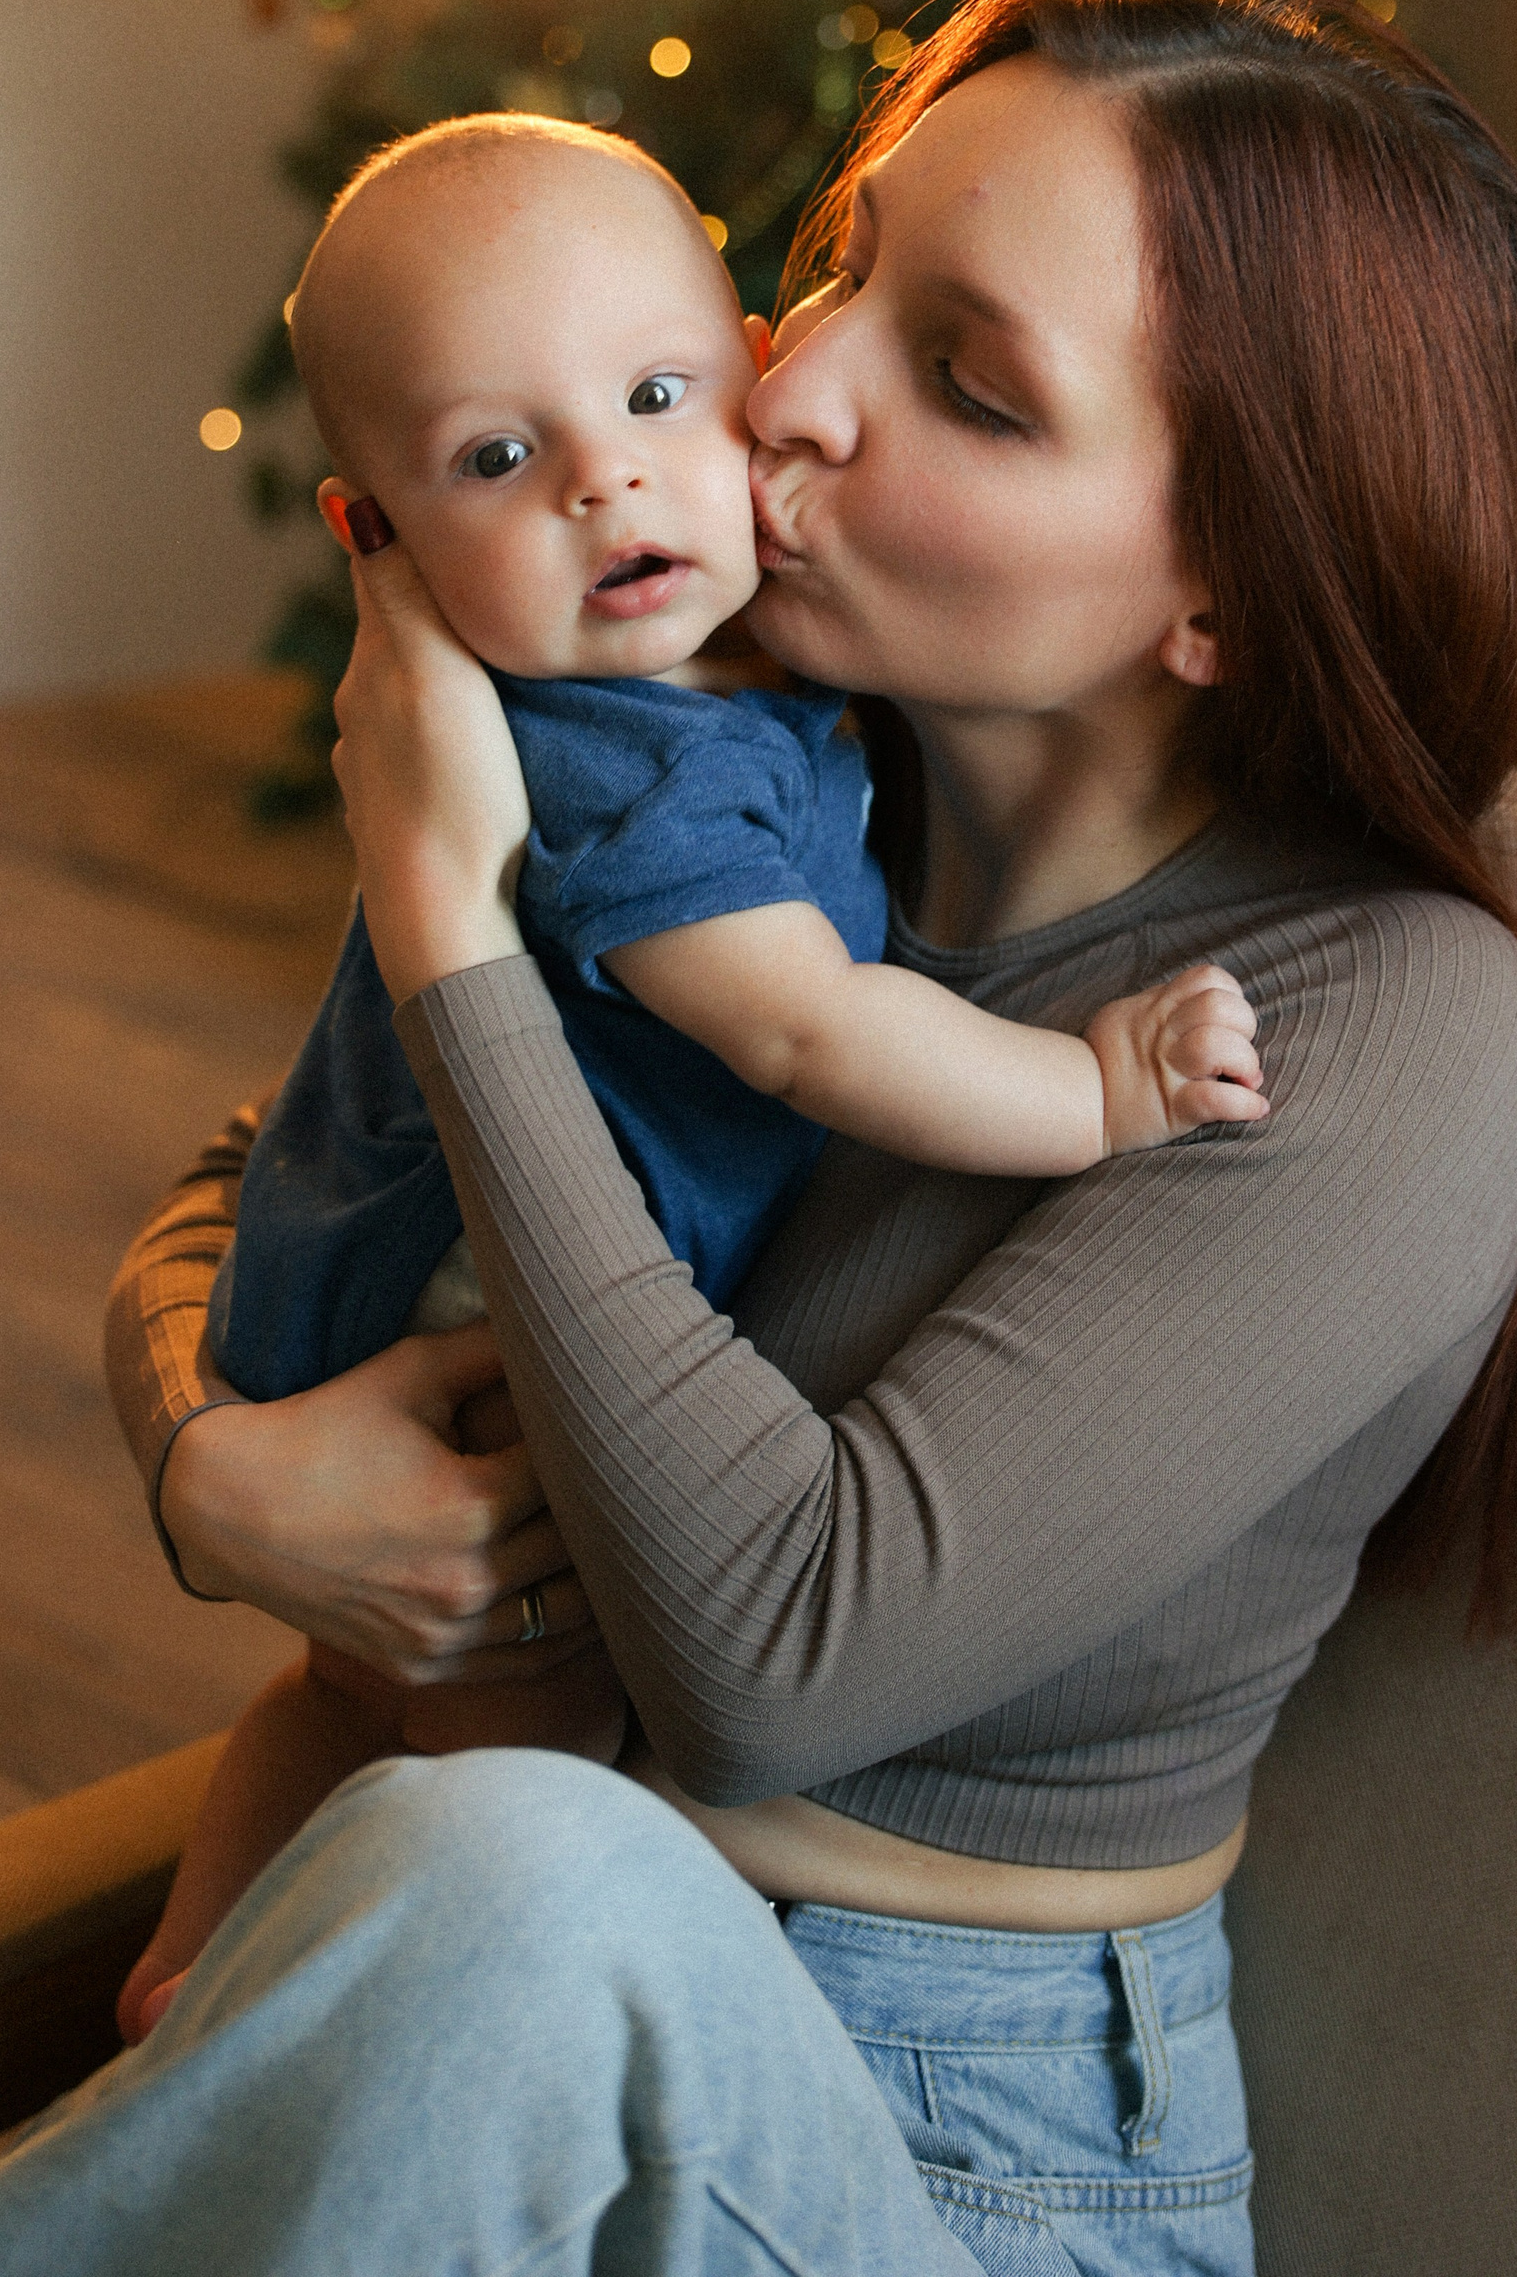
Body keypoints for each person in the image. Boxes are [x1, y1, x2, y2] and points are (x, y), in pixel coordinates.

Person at [0, 0, 1517, 2277]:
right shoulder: (788, 780)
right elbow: (274, 1171)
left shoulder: (1384, 1028)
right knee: (486, 1885)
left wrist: (449, 920)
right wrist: (206, 1460)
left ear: (1227, 590)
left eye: (968, 380)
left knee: (521, 1877)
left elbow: (769, 1662)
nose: (798, 383)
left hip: (955, 2162)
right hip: (465, 2024)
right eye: (843, 262)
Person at [119, 112, 1263, 2044]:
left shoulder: (749, 682)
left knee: (337, 1698)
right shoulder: (628, 763)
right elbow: (803, 1025)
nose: (605, 480)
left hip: (343, 1275)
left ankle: (187, 1975)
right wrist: (1099, 1097)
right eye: (497, 459)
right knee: (526, 1727)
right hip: (465, 1323)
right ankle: (303, 2026)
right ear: (376, 536)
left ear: (735, 369)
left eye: (656, 396)